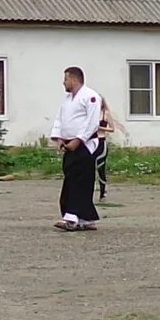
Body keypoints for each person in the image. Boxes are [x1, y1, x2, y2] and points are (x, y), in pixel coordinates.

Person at [48, 66, 104, 229]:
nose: (63, 83)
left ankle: (72, 217)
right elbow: (60, 119)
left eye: (65, 79)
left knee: (79, 180)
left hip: (85, 145)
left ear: (74, 79)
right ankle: (86, 218)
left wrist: (79, 140)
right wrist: (58, 137)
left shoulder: (91, 97)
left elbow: (92, 122)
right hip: (68, 144)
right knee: (71, 177)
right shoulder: (67, 100)